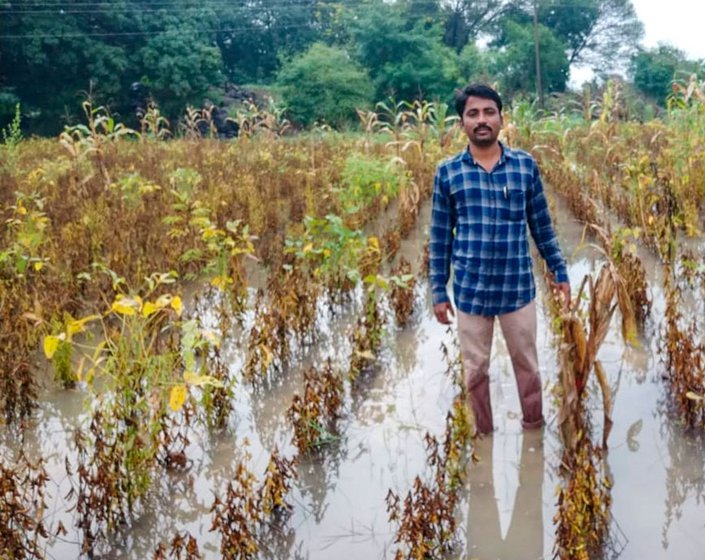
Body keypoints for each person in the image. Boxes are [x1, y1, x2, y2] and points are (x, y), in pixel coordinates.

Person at [429, 83, 570, 435]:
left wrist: (559, 270)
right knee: (475, 370)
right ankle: (484, 435)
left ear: (501, 119)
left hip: (517, 288)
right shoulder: (448, 173)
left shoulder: (524, 166)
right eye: (472, 113)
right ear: (461, 122)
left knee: (528, 367)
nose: (481, 120)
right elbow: (439, 236)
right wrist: (438, 290)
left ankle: (533, 429)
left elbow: (541, 225)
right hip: (471, 292)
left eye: (488, 112)